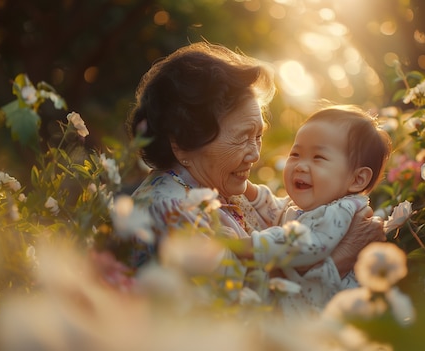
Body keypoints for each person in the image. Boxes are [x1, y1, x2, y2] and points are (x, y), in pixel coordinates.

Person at [124, 41, 386, 303]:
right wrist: (347, 253)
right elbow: (247, 313)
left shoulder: (221, 190)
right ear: (181, 143)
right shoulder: (170, 212)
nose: (256, 154)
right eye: (242, 138)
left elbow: (289, 219)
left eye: (258, 136)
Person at [241, 105, 391, 317]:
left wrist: (245, 245)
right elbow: (275, 207)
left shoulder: (344, 210)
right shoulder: (308, 207)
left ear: (357, 179)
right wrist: (248, 190)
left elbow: (300, 245)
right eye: (295, 154)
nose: (301, 165)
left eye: (318, 157)